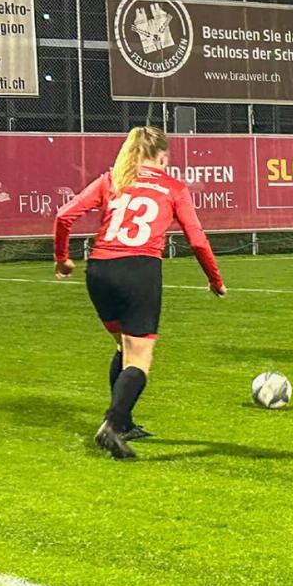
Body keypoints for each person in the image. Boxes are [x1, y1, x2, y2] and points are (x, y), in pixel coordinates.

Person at [53, 126, 226, 460]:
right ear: (163, 156)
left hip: (100, 270)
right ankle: (112, 425)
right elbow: (198, 240)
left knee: (122, 346)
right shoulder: (172, 186)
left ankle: (125, 421)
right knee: (140, 359)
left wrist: (62, 260)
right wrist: (215, 280)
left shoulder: (112, 179)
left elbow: (64, 216)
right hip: (139, 270)